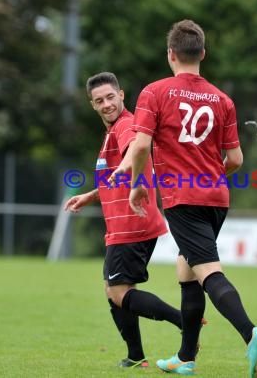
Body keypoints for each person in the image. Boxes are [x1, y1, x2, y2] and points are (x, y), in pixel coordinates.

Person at [122, 19, 257, 377]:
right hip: (216, 196)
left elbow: (141, 144)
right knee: (186, 269)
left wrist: (137, 183)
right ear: (202, 53)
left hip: (182, 197)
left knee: (207, 272)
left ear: (171, 54)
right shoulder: (223, 100)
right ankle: (186, 358)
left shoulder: (154, 92)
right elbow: (235, 160)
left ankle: (250, 332)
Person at [64, 72, 183, 368]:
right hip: (122, 223)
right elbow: (116, 174)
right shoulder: (111, 132)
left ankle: (184, 321)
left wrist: (134, 177)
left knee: (119, 292)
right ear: (92, 105)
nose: (106, 104)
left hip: (133, 221)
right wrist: (89, 197)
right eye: (99, 100)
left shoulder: (127, 124)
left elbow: (136, 150)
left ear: (122, 95)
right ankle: (135, 356)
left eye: (110, 97)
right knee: (113, 290)